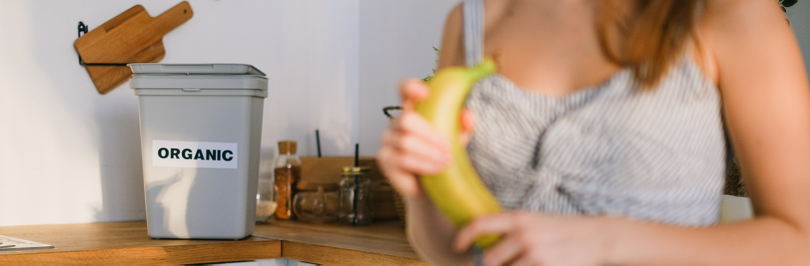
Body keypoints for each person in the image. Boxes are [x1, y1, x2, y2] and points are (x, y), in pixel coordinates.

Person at [377, 0, 810, 265]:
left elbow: (799, 244)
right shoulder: (473, 21)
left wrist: (608, 240)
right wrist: (420, 189)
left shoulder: (728, 10)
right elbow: (456, 252)